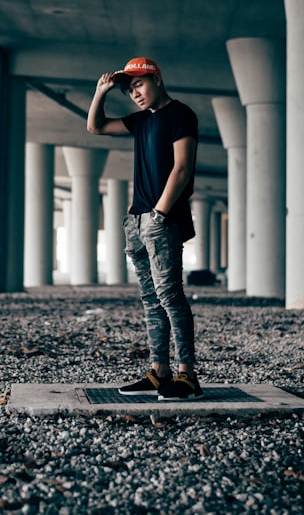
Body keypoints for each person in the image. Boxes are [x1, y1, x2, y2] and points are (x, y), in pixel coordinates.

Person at [86, 57, 203, 401]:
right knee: (151, 300)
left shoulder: (181, 114)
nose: (135, 94)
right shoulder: (140, 122)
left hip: (160, 219)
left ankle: (187, 376)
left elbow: (182, 168)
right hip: (136, 221)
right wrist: (100, 93)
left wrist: (159, 214)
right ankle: (159, 372)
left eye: (139, 85)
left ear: (157, 79)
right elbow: (95, 127)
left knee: (170, 296)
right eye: (130, 89)